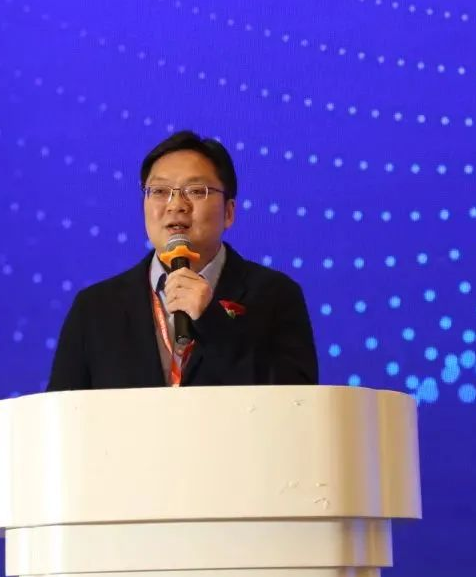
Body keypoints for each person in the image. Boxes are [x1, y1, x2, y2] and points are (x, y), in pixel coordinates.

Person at [46, 130, 318, 390]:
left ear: (229, 212)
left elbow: (298, 401)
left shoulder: (276, 295)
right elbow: (63, 409)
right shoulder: (94, 308)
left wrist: (212, 322)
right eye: (160, 191)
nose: (176, 205)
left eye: (196, 191)